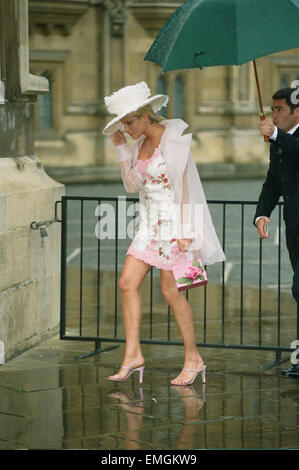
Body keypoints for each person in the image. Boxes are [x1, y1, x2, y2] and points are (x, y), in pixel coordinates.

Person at [102, 81, 225, 386]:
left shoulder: (175, 141)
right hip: (147, 227)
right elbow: (132, 185)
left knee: (172, 294)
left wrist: (186, 232)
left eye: (129, 122)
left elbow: (186, 191)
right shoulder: (138, 142)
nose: (127, 128)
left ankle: (194, 359)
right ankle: (132, 355)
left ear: (146, 115)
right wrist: (120, 147)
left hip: (174, 228)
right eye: (123, 123)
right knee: (127, 283)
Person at [254, 87, 299, 378]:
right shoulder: (279, 143)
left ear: (297, 111)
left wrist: (275, 135)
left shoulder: (281, 139)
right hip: (295, 226)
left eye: (279, 109)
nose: (274, 115)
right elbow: (273, 182)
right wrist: (262, 213)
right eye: (272, 110)